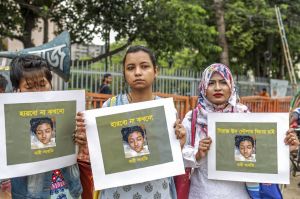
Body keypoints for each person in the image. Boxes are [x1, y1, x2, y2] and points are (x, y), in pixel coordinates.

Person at [75, 45, 186, 199]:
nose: (138, 72)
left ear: (156, 71)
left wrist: (180, 143)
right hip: (118, 193)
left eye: (145, 66)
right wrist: (87, 139)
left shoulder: (166, 110)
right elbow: (102, 153)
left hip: (156, 191)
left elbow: (169, 155)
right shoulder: (110, 106)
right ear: (125, 73)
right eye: (131, 68)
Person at [182, 63, 299, 199]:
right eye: (211, 83)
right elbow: (179, 158)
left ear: (231, 85)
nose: (218, 88)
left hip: (239, 194)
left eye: (223, 82)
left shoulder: (244, 114)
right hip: (202, 193)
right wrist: (197, 154)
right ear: (203, 87)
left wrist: (285, 148)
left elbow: (259, 153)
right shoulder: (192, 119)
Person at [9, 55, 82, 199]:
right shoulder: (8, 119)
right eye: (29, 87)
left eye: (42, 85)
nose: (38, 92)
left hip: (69, 188)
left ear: (50, 83)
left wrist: (82, 138)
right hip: (32, 194)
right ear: (17, 90)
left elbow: (79, 147)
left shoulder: (67, 110)